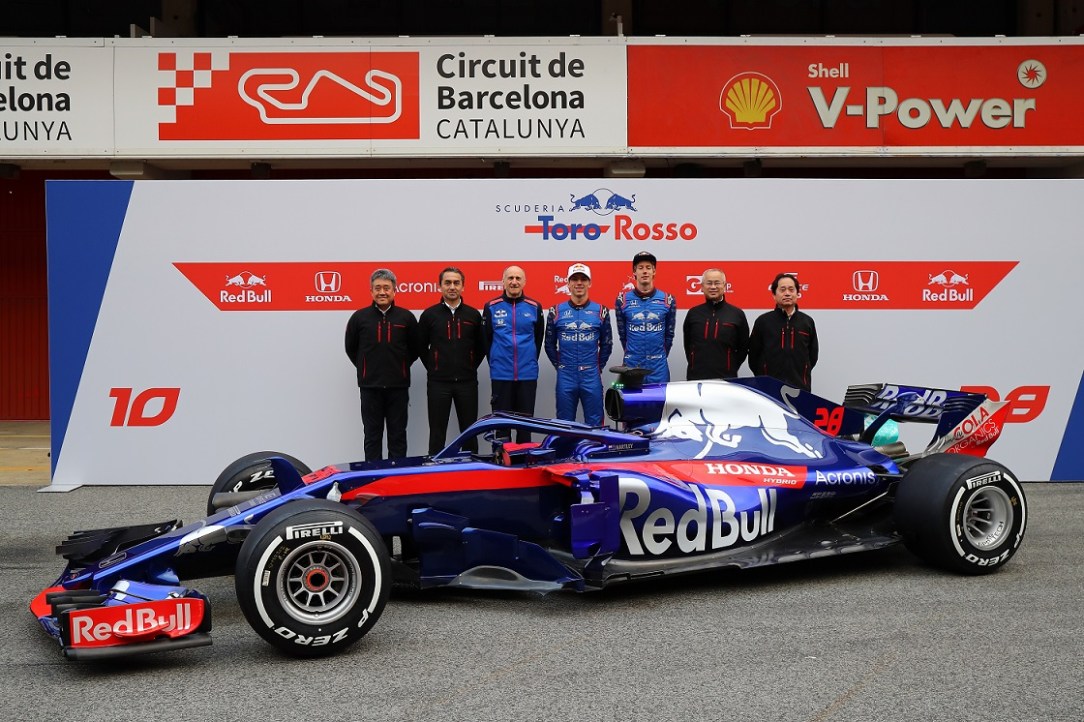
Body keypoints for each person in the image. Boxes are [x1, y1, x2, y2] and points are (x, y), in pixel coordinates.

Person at [344, 268, 419, 461]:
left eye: (386, 288)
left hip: (398, 387)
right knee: (372, 436)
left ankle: (397, 475)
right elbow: (351, 348)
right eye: (377, 288)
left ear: (394, 290)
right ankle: (373, 475)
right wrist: (366, 367)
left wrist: (400, 366)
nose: (382, 292)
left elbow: (415, 348)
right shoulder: (359, 318)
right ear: (371, 291)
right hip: (370, 387)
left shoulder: (406, 318)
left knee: (398, 436)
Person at [417, 266, 487, 455]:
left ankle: (471, 468)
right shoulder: (429, 315)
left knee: (469, 432)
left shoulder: (473, 315)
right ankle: (434, 469)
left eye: (456, 283)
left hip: (467, 383)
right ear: (440, 286)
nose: (452, 287)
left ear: (463, 286)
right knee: (437, 432)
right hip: (438, 383)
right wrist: (434, 367)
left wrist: (469, 365)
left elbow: (481, 347)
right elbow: (420, 346)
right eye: (447, 283)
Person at [545, 262, 613, 426]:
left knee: (595, 424)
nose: (579, 283)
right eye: (575, 279)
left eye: (583, 279)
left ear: (590, 283)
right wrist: (560, 366)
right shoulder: (555, 311)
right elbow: (549, 345)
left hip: (591, 374)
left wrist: (597, 367)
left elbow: (607, 344)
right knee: (564, 425)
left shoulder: (601, 311)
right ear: (568, 284)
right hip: (566, 375)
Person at [482, 265, 544, 442]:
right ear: (503, 281)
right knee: (501, 428)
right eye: (510, 278)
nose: (514, 282)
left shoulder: (534, 307)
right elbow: (486, 340)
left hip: (527, 375)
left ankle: (524, 459)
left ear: (524, 282)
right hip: (501, 376)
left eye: (518, 278)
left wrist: (527, 361)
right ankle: (501, 459)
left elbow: (537, 339)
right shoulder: (491, 307)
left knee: (525, 428)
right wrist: (497, 362)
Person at [748, 272, 819, 391]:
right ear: (774, 295)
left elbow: (812, 356)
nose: (787, 293)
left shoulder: (807, 322)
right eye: (782, 290)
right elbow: (753, 356)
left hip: (800, 387)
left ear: (797, 294)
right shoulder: (763, 321)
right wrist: (763, 376)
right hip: (769, 388)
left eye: (791, 289)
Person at [614, 251, 677, 384]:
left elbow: (669, 335)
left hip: (658, 367)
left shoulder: (668, 300)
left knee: (659, 398)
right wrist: (634, 355)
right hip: (632, 365)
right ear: (634, 272)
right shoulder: (622, 300)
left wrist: (658, 356)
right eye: (640, 268)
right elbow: (623, 335)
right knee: (631, 398)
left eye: (648, 268)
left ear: (654, 271)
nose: (644, 271)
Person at [683, 268, 749, 380]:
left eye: (717, 283)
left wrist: (730, 366)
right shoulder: (693, 313)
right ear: (702, 287)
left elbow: (743, 348)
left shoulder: (737, 314)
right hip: (696, 378)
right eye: (709, 283)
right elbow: (688, 345)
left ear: (725, 286)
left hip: (726, 378)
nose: (713, 287)